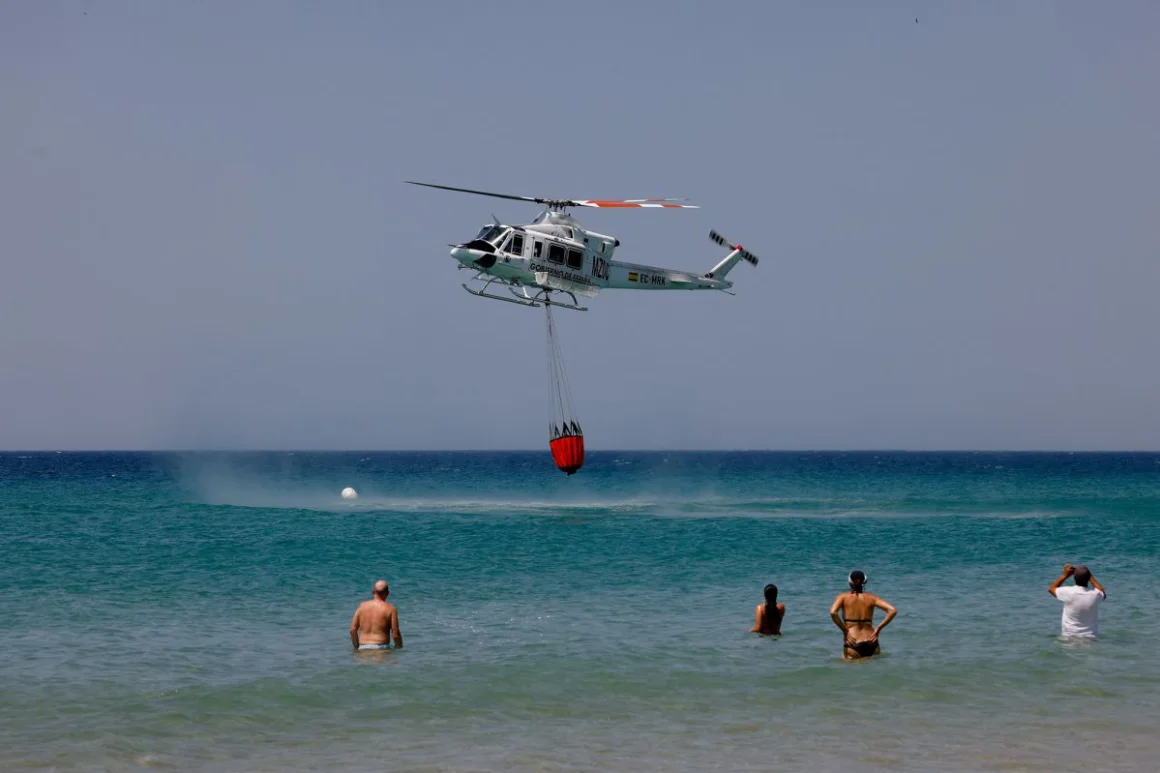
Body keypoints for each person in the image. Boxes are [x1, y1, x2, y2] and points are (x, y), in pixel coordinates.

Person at [829, 570, 897, 659]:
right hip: (872, 642)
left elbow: (833, 612)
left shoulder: (842, 597)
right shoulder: (872, 598)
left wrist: (845, 631)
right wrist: (878, 629)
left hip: (853, 642)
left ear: (850, 582)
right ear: (865, 582)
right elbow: (892, 610)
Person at [1048, 563, 1107, 638]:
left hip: (1069, 637)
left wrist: (1065, 575)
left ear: (1074, 578)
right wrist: (1089, 575)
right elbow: (1103, 593)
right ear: (1088, 578)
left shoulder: (1068, 592)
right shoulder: (1095, 595)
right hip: (1090, 638)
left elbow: (1051, 588)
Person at [349, 579, 403, 650]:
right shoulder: (391, 609)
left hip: (363, 649)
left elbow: (352, 630)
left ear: (373, 592)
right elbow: (396, 634)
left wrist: (357, 647)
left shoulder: (361, 606)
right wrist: (399, 649)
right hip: (382, 650)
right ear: (388, 593)